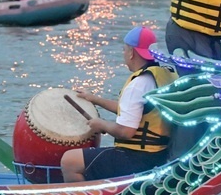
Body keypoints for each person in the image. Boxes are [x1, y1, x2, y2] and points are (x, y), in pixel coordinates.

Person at [60, 26, 176, 182]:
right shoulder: (163, 75)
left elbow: (125, 131)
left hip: (137, 159)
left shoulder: (139, 83)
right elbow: (133, 112)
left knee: (70, 161)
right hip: (159, 155)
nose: (124, 54)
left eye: (124, 49)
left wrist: (101, 124)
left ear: (131, 53)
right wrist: (95, 99)